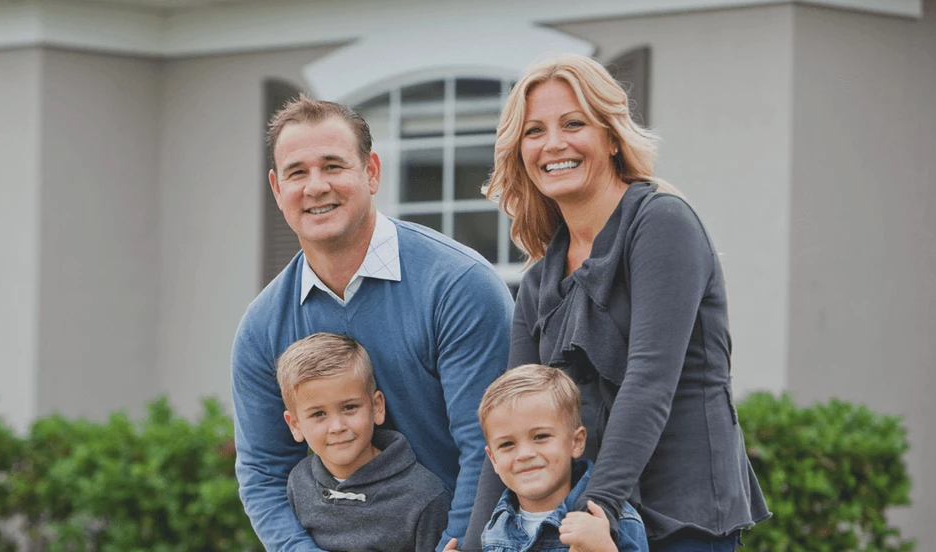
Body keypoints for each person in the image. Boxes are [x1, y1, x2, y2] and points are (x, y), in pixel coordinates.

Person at [462, 54, 770, 552]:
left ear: (609, 136)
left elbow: (649, 379)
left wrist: (598, 510)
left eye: (573, 123)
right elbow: (508, 414)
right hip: (588, 520)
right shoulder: (540, 277)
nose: (554, 143)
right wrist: (477, 542)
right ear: (520, 152)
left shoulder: (661, 224)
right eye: (534, 131)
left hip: (678, 513)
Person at [233, 94, 514, 551]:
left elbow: (487, 451)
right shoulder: (263, 327)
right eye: (297, 172)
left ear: (372, 171)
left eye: (333, 165)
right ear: (276, 188)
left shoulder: (459, 287)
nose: (316, 186)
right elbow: (264, 473)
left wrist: (459, 545)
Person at [277, 332, 451, 552]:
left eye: (349, 407)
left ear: (377, 407)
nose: (337, 426)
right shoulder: (299, 482)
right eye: (318, 414)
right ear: (295, 424)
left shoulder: (425, 496)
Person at [449, 364, 647, 552]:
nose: (525, 454)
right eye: (507, 444)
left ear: (576, 442)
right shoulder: (496, 526)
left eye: (541, 437)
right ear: (493, 459)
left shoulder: (610, 521)